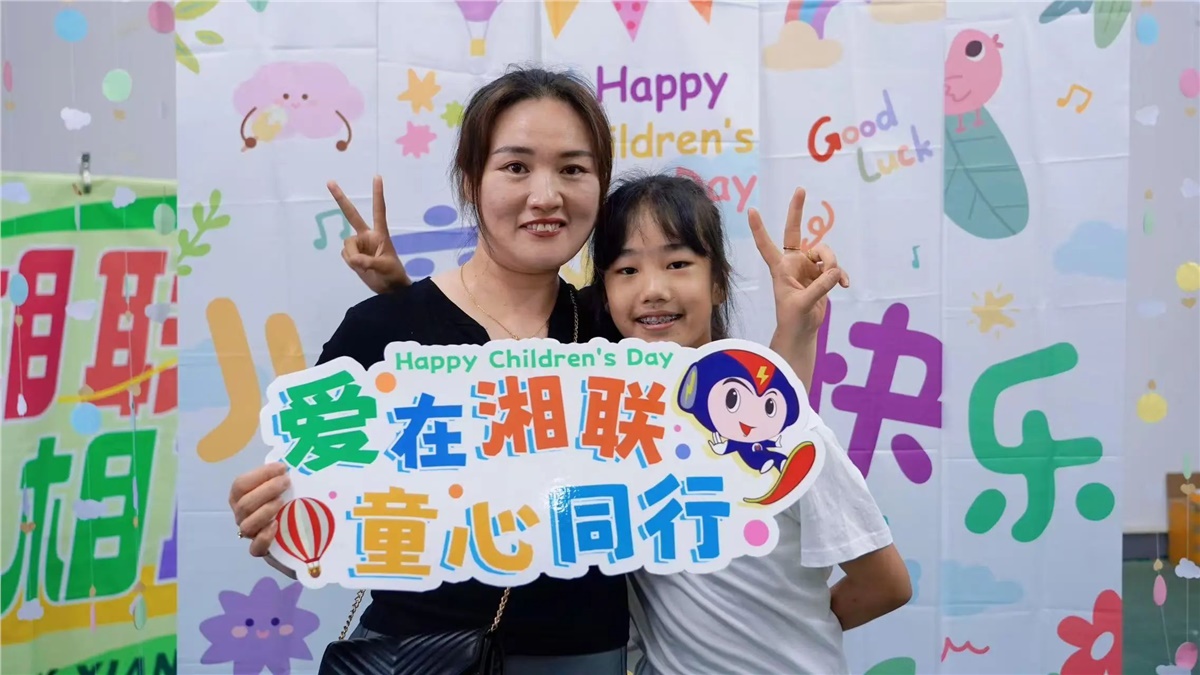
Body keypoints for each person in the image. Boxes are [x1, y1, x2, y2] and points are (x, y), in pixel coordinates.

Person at [339, 169, 913, 673]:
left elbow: (884, 583)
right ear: (605, 296)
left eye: (678, 263)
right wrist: (402, 300)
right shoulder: (609, 421)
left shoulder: (782, 431)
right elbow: (486, 381)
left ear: (718, 281)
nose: (653, 289)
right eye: (626, 269)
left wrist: (790, 636)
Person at [227, 66, 628, 674]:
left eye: (573, 169)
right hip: (413, 656)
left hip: (584, 656)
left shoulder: (618, 333)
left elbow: (737, 437)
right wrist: (271, 526)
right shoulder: (381, 332)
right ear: (471, 181)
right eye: (516, 167)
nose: (546, 196)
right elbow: (308, 541)